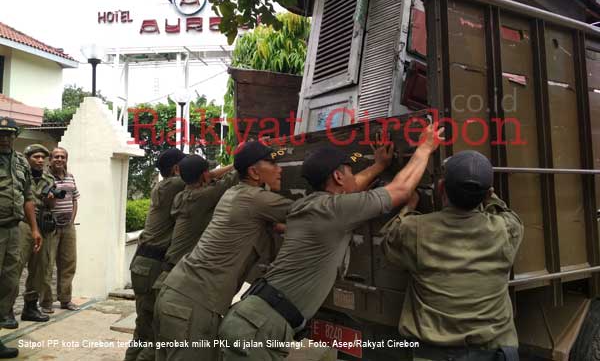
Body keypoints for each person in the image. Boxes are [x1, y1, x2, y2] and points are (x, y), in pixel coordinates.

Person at [217, 124, 443, 361]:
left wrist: (379, 165)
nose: (351, 177)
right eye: (347, 171)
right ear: (337, 176)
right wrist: (425, 147)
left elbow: (353, 186)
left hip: (251, 320)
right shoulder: (335, 210)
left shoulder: (310, 206)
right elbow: (401, 189)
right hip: (256, 331)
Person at [154, 141, 293, 361]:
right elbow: (315, 212)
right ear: (254, 172)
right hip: (193, 305)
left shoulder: (227, 196)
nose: (279, 168)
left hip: (174, 290)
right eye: (272, 162)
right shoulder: (248, 197)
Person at [380, 150, 523, 361]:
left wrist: (410, 205)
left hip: (434, 354)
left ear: (441, 189)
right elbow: (504, 211)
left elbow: (388, 240)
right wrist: (488, 194)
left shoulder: (414, 230)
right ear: (487, 193)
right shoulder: (508, 230)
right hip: (494, 352)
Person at [125, 149, 233, 361]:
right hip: (154, 265)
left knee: (144, 332)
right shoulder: (176, 185)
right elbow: (208, 178)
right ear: (176, 169)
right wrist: (237, 164)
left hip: (143, 263)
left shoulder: (166, 187)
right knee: (156, 338)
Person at [151, 154, 238, 291]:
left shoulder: (181, 196)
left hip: (168, 275)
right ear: (204, 175)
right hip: (179, 279)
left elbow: (211, 177)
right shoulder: (202, 196)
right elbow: (230, 180)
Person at [0, 117, 42, 359]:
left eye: (9, 134)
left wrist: (34, 228)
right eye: (1, 134)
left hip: (15, 230)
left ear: (15, 136)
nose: (4, 138)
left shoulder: (20, 163)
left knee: (9, 283)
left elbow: (28, 198)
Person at [5, 144, 55, 328]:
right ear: (27, 158)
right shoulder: (18, 176)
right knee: (14, 268)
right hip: (24, 224)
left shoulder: (49, 179)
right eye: (36, 157)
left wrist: (52, 200)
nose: (40, 160)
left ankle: (30, 307)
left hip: (43, 224)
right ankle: (7, 310)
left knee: (40, 268)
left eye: (43, 157)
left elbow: (52, 205)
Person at [40, 147, 80, 314]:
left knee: (68, 264)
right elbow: (41, 201)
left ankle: (65, 300)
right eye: (56, 156)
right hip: (51, 227)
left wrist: (72, 220)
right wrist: (49, 201)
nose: (59, 159)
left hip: (68, 227)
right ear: (51, 159)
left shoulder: (70, 177)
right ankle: (46, 303)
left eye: (62, 157)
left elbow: (74, 199)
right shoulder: (45, 177)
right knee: (47, 265)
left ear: (66, 159)